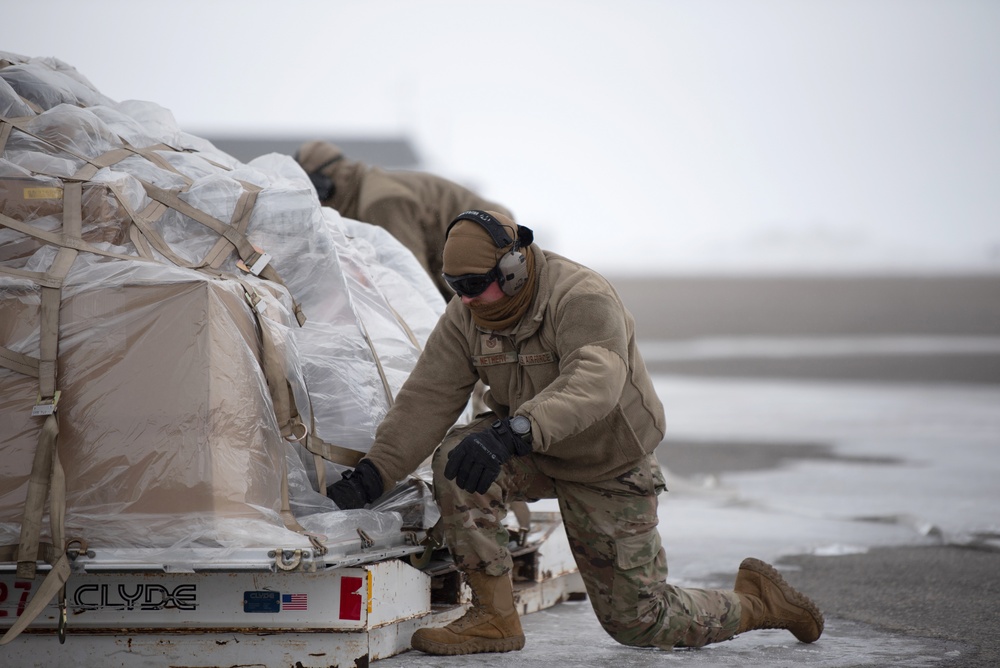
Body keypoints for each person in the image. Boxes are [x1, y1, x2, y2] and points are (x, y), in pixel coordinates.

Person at [327, 209, 824, 655]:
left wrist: (515, 430)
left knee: (641, 623)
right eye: (456, 286)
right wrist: (376, 472)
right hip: (532, 447)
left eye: (476, 284)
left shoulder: (581, 297)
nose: (468, 299)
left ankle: (758, 602)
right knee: (460, 462)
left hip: (606, 458)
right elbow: (428, 396)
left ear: (513, 268)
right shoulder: (467, 315)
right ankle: (494, 619)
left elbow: (596, 382)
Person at [294, 141, 513, 302]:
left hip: (491, 245)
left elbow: (413, 279)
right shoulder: (364, 195)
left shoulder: (381, 203)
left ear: (323, 185)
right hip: (471, 251)